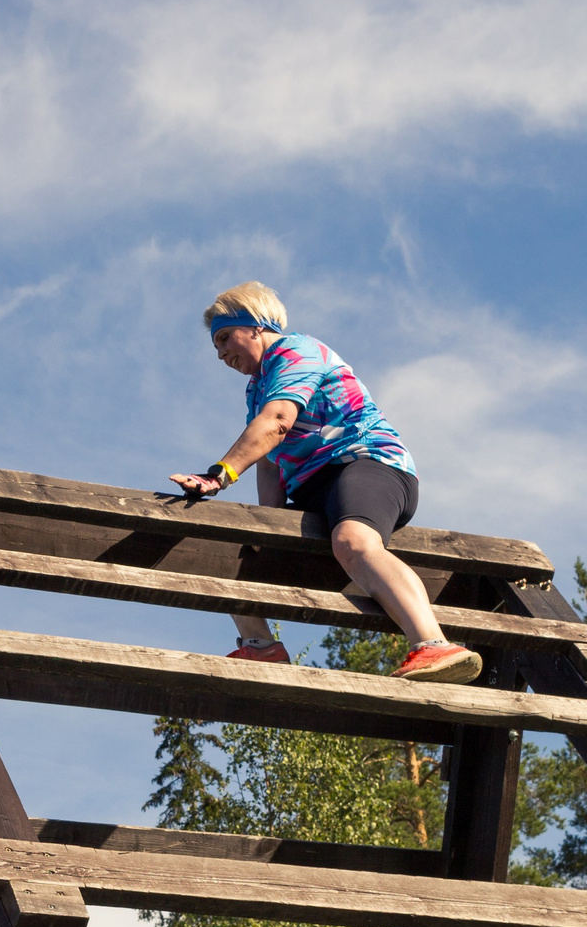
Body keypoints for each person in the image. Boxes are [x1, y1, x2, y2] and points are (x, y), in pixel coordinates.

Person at [169, 281, 482, 685]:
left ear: (257, 326)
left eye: (226, 337)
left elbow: (277, 423)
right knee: (233, 557)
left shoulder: (296, 352)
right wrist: (268, 528)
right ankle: (261, 648)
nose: (221, 352)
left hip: (368, 465)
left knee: (353, 541)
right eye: (215, 346)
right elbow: (269, 463)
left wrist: (218, 475)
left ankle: (434, 644)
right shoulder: (257, 387)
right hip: (317, 490)